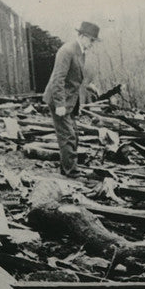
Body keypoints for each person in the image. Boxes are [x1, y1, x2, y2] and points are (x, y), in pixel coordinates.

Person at [42, 21, 100, 177]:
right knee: (68, 135)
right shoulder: (67, 51)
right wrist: (60, 104)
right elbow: (58, 79)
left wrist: (89, 86)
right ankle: (71, 172)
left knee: (73, 133)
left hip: (69, 101)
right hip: (59, 100)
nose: (92, 44)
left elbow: (74, 78)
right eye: (91, 40)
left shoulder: (81, 51)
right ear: (81, 36)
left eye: (94, 41)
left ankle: (67, 167)